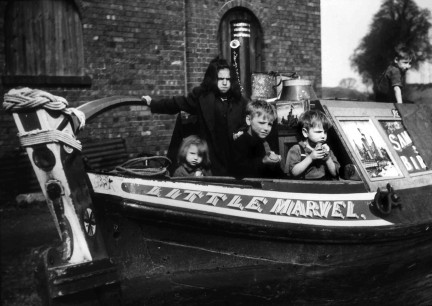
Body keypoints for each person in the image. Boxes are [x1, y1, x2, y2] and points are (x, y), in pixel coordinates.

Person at [141, 57, 248, 176]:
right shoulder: (202, 97)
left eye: (228, 79)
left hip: (232, 156)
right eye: (220, 79)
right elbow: (177, 103)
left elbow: (246, 123)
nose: (224, 83)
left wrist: (241, 132)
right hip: (210, 157)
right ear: (213, 79)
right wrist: (153, 104)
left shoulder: (240, 101)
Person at [232, 100, 282, 178]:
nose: (266, 128)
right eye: (262, 123)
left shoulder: (266, 143)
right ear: (249, 120)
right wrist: (263, 161)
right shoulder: (240, 142)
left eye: (270, 124)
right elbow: (239, 171)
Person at [285, 110, 339, 180]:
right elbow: (294, 172)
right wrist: (311, 157)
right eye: (318, 132)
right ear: (305, 132)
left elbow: (335, 173)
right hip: (304, 187)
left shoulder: (327, 150)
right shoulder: (296, 149)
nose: (323, 136)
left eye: (325, 132)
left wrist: (327, 158)